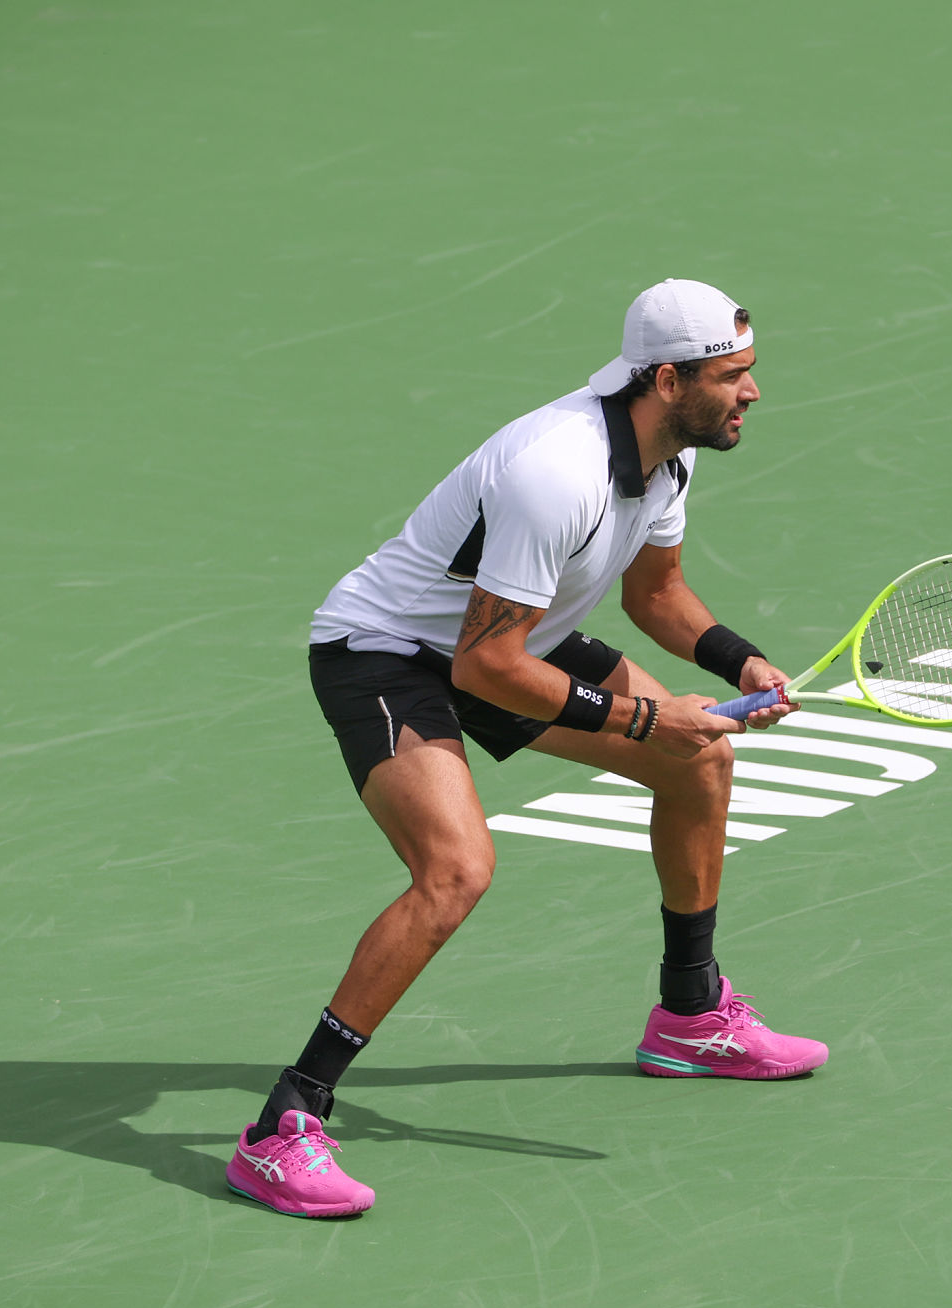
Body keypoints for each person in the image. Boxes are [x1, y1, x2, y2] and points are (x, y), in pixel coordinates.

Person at [226, 279, 827, 1218]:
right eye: (734, 375)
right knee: (456, 870)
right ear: (669, 378)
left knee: (702, 757)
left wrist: (738, 658)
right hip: (389, 655)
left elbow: (655, 592)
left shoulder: (671, 451)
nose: (752, 392)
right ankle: (283, 1124)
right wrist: (641, 718)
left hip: (514, 642)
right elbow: (483, 665)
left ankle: (690, 1013)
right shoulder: (561, 469)